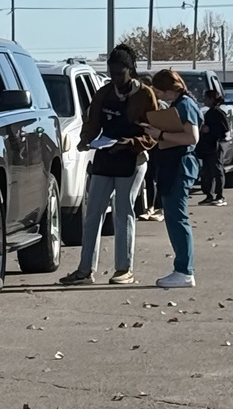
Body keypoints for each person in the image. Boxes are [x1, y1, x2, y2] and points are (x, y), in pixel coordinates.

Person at [58, 44, 157, 286]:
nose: (116, 78)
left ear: (130, 70)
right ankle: (85, 271)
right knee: (93, 214)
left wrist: (131, 142)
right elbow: (93, 122)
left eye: (120, 73)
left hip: (132, 159)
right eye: (112, 73)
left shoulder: (145, 95)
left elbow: (154, 132)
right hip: (105, 157)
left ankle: (124, 269)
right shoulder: (103, 93)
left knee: (123, 212)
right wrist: (86, 139)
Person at [142, 69, 204, 289]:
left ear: (169, 90)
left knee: (178, 218)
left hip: (180, 164)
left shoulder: (185, 104)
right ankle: (182, 268)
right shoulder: (181, 103)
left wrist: (159, 134)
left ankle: (184, 270)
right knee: (173, 216)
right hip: (174, 164)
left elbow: (192, 137)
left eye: (159, 91)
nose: (157, 95)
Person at [136, 72, 162, 222]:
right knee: (149, 177)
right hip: (146, 145)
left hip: (160, 145)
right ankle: (150, 207)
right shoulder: (139, 105)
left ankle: (160, 208)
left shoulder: (160, 105)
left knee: (160, 177)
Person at [196, 89, 230, 206]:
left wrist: (210, 130)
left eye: (206, 98)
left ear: (212, 99)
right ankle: (209, 195)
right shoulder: (209, 112)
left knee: (217, 170)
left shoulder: (218, 113)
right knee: (207, 172)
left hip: (215, 146)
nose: (204, 100)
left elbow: (225, 130)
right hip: (207, 146)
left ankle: (220, 196)